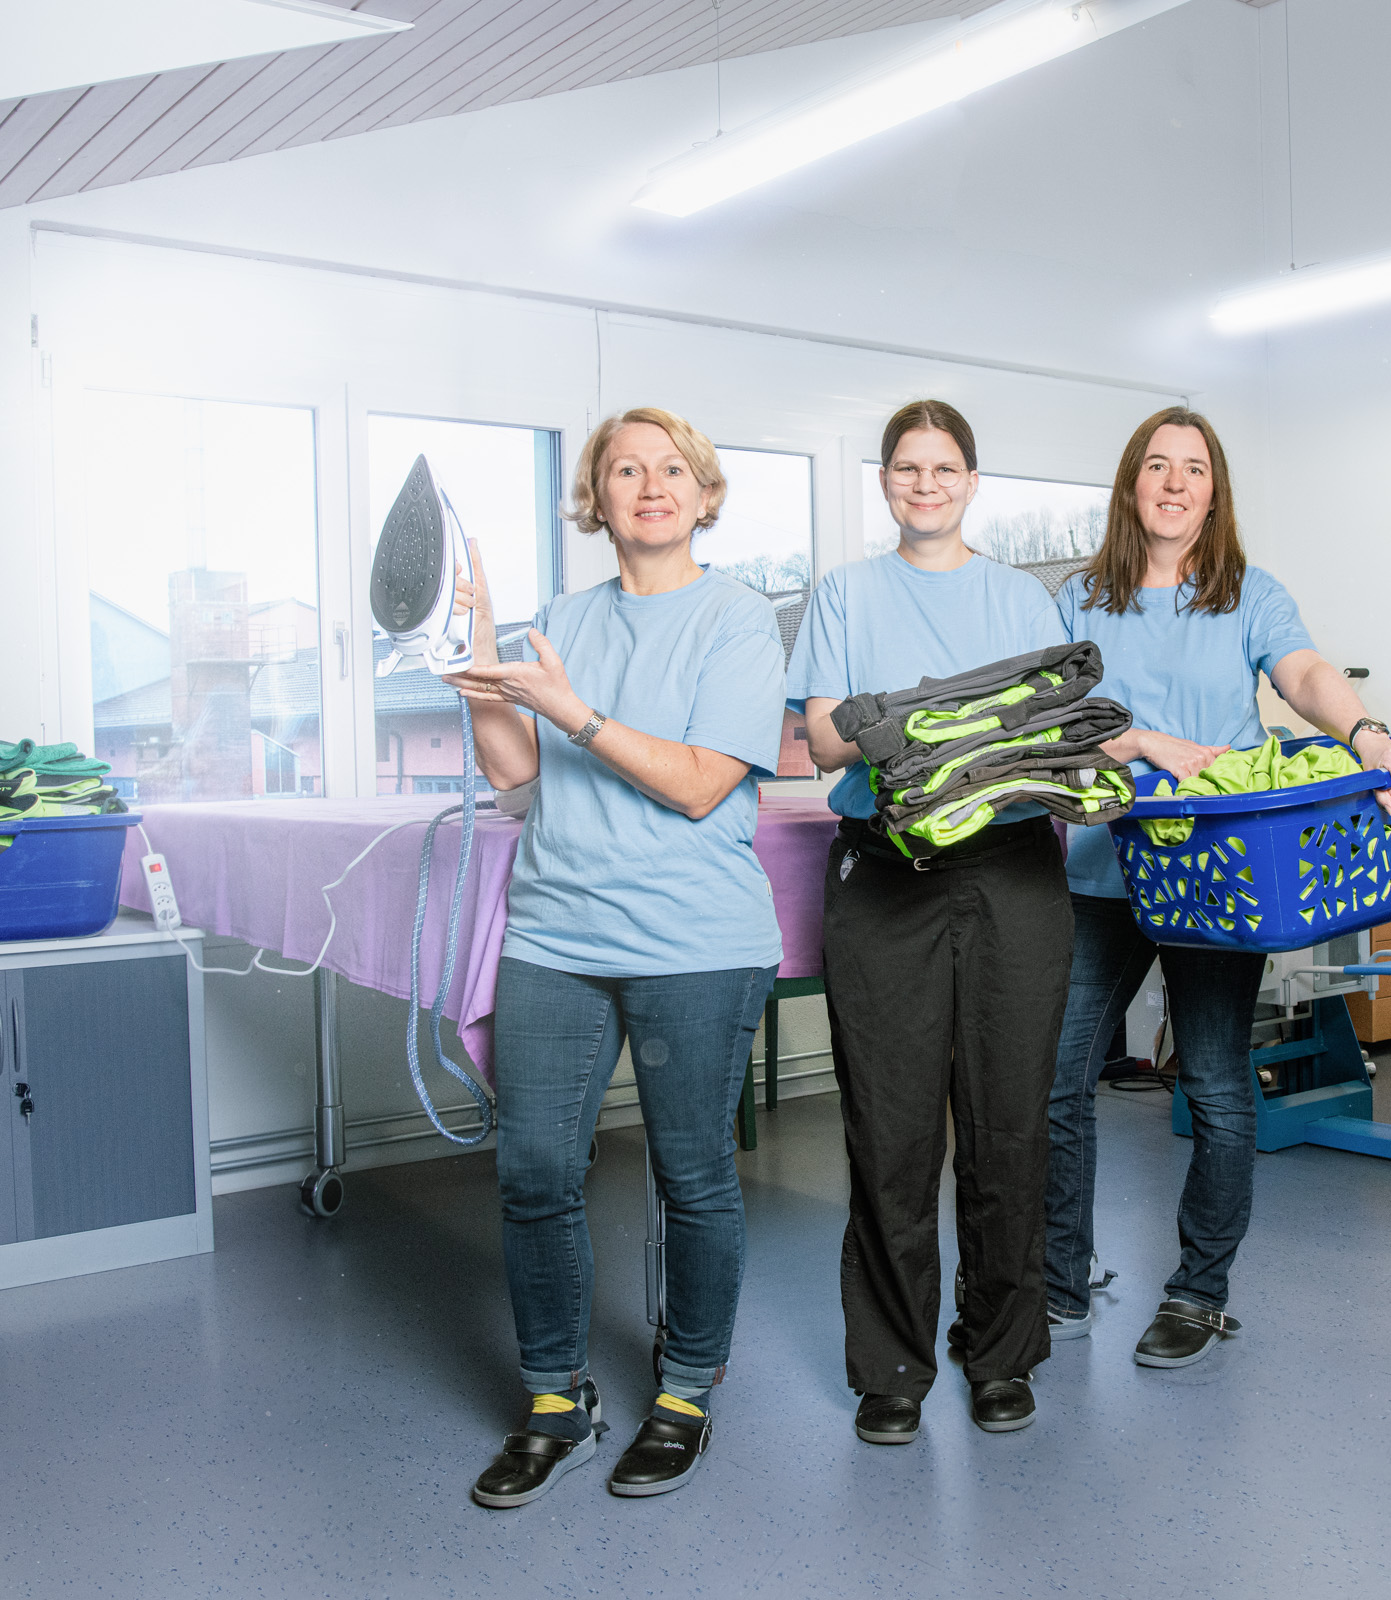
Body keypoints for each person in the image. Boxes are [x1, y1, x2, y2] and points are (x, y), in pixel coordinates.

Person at [444, 407, 784, 1506]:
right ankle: (556, 1400)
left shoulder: (739, 620)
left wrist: (574, 711)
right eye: (624, 469)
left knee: (693, 1177)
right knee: (535, 1169)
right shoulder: (564, 619)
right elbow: (518, 776)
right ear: (595, 497)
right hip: (556, 933)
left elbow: (696, 784)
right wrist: (490, 674)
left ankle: (684, 1393)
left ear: (704, 490)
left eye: (670, 467)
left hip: (695, 942)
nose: (648, 484)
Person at [1051, 407, 1391, 1367]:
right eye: (1156, 466)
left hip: (1214, 881)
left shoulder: (1246, 594)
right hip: (1102, 873)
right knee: (1056, 1080)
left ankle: (1197, 1292)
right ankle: (1059, 1278)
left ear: (1214, 490)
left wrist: (1367, 735)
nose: (1174, 484)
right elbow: (1051, 720)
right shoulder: (1078, 601)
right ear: (1129, 484)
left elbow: (1302, 672)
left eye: (1193, 469)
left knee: (1217, 1083)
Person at [788, 399, 1075, 1444]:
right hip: (886, 880)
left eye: (943, 465)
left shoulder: (1020, 598)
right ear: (885, 482)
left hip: (1010, 878)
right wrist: (928, 725)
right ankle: (893, 1367)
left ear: (971, 480)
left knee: (1008, 1126)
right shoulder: (846, 594)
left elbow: (1049, 732)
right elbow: (823, 739)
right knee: (890, 1133)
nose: (924, 482)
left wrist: (900, 717)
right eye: (906, 466)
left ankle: (1000, 1351)